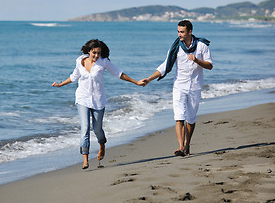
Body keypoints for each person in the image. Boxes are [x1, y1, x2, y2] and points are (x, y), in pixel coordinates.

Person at [52, 39, 145, 169]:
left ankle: (102, 144)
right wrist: (60, 84)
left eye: (99, 53)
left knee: (97, 129)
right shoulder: (80, 61)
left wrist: (136, 82)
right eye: (94, 53)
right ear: (89, 51)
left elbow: (119, 74)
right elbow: (74, 76)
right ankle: (85, 159)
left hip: (98, 100)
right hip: (82, 98)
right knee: (84, 128)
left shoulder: (104, 62)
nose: (96, 56)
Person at [142, 20, 213, 156]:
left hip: (195, 87)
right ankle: (181, 147)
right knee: (179, 117)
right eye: (178, 31)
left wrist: (197, 60)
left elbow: (210, 65)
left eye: (182, 32)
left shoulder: (202, 46)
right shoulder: (176, 47)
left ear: (190, 32)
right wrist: (149, 79)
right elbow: (165, 65)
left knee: (191, 119)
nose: (179, 34)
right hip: (179, 86)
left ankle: (187, 145)